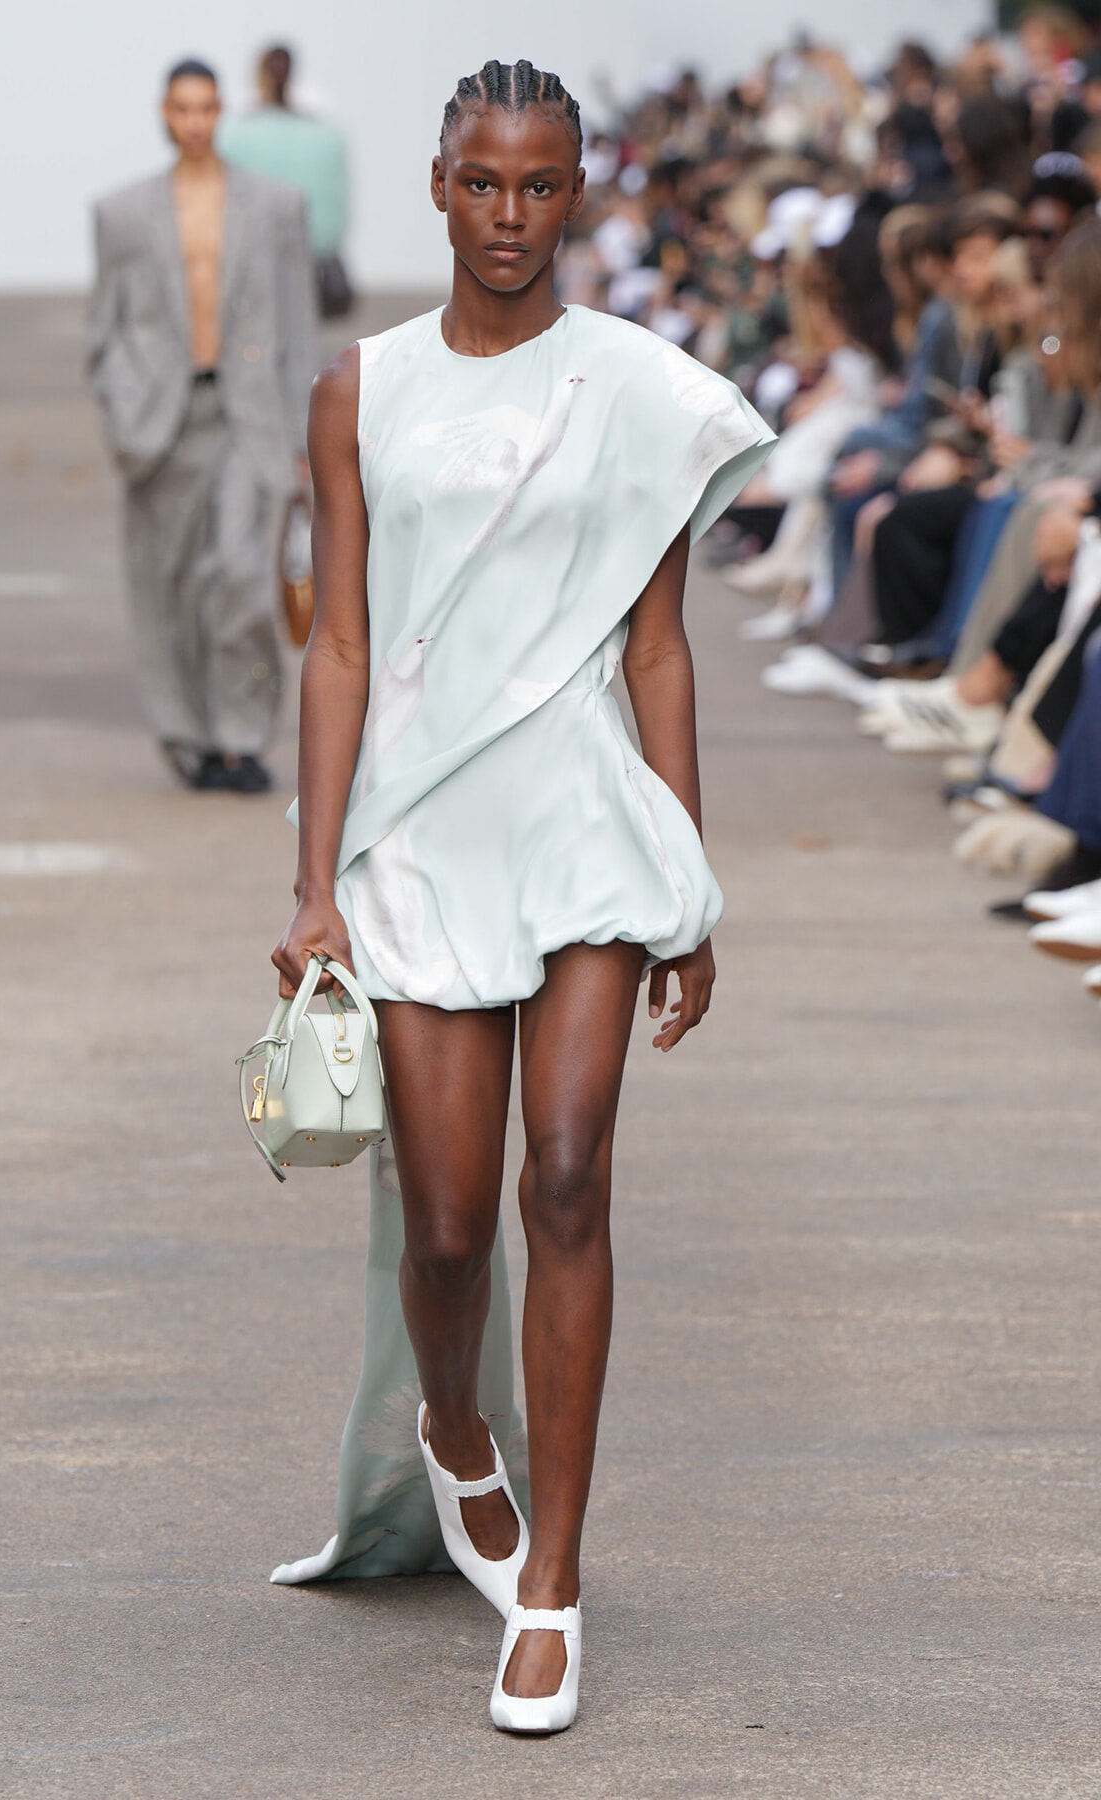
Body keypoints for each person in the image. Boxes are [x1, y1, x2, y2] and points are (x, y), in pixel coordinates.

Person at [267, 59, 773, 1734]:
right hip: (418, 827)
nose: (509, 214)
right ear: (437, 185)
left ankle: (550, 1581)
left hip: (578, 823)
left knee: (566, 1177)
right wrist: (314, 880)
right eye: (482, 183)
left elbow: (658, 648)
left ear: (578, 193)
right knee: (445, 1227)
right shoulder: (361, 389)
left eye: (541, 185)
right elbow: (339, 643)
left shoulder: (638, 388)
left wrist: (687, 876)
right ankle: (451, 1425)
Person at [87, 59, 318, 793]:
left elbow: (298, 324)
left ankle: (241, 738)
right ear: (165, 113)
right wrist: (121, 410)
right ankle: (188, 735)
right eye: (182, 108)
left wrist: (302, 434)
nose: (195, 121)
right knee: (170, 589)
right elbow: (104, 328)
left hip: (246, 414)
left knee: (243, 576)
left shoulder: (276, 207)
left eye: (207, 107)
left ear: (221, 113)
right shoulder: (121, 213)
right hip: (161, 418)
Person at [219, 44, 351, 317]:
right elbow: (332, 218)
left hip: (250, 262)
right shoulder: (325, 135)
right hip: (307, 262)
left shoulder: (235, 132)